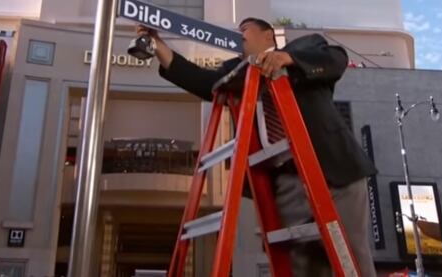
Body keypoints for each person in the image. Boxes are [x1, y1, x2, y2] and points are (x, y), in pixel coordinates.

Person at [138, 18, 378, 277]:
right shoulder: (235, 72)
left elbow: (336, 59)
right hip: (285, 183)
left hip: (333, 172)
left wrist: (287, 59)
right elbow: (200, 80)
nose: (237, 36)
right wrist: (158, 46)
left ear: (268, 36)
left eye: (243, 30)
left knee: (349, 256)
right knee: (303, 266)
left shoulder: (305, 48)